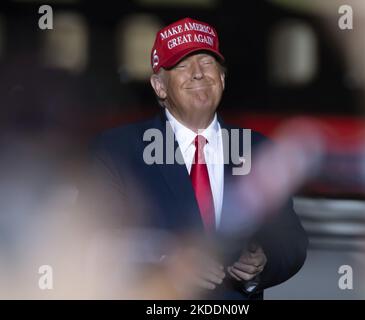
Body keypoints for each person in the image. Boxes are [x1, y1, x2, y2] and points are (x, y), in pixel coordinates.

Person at [88, 17, 308, 299]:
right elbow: (96, 241)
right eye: (182, 65)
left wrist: (263, 262)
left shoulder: (258, 150)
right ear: (160, 87)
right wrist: (166, 258)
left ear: (222, 78)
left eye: (207, 63)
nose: (198, 73)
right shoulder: (117, 150)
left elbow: (292, 239)